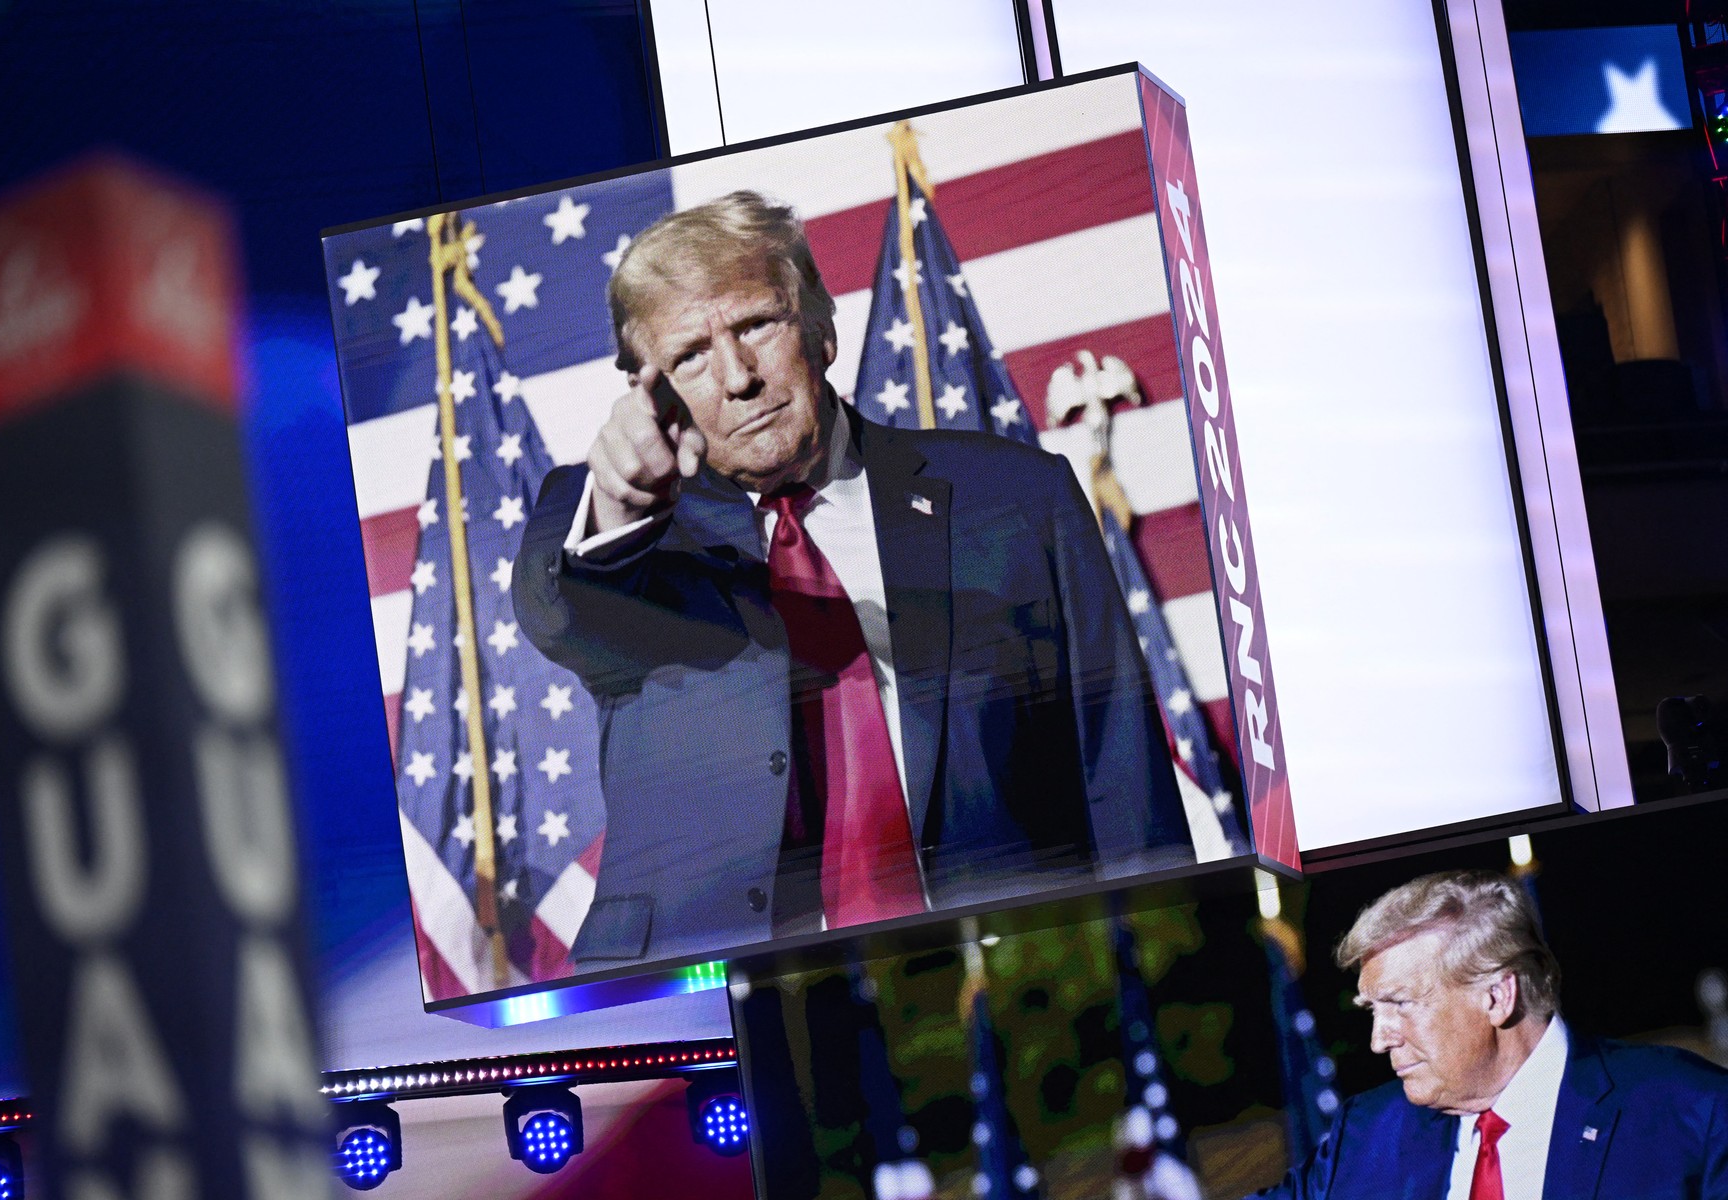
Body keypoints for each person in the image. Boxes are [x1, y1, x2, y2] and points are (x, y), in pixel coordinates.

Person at [513, 190, 1190, 967]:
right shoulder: (613, 532)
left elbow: (1121, 776)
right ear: (646, 389)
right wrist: (621, 502)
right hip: (709, 1004)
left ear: (822, 327)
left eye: (756, 325)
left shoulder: (1017, 500)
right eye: (689, 356)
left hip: (1006, 981)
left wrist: (1162, 972)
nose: (737, 378)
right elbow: (560, 611)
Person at [1256, 870, 1728, 1198]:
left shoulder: (1691, 1111)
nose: (1379, 1039)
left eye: (1400, 1003)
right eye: (1372, 1011)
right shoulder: (1367, 1131)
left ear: (1498, 997)